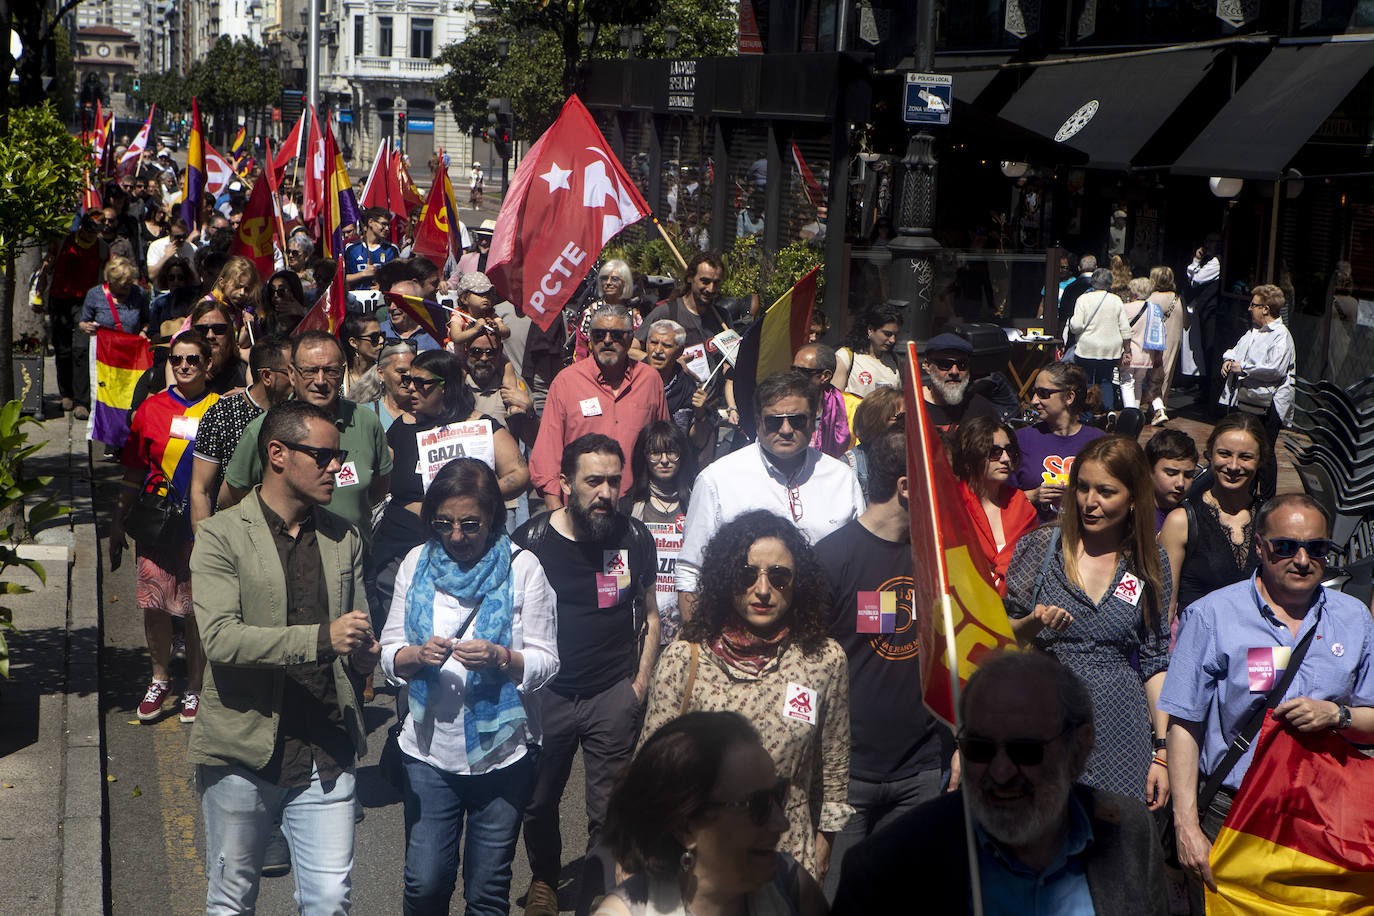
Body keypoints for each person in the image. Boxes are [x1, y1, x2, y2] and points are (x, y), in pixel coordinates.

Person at [189, 399, 381, 915]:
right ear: (277, 453)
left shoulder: (344, 537)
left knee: (329, 900)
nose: (335, 467)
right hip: (243, 750)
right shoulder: (220, 535)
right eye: (322, 456)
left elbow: (356, 629)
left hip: (326, 746)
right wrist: (323, 638)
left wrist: (366, 657)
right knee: (232, 899)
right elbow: (220, 640)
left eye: (339, 456)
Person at [833, 651, 1168, 914]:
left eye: (1025, 751)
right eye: (979, 749)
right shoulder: (886, 869)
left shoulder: (1129, 832)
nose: (1001, 772)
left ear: (1079, 749)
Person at [1160, 493, 1374, 900]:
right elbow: (1184, 723)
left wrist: (1338, 715)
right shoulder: (1211, 615)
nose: (1302, 560)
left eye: (1317, 548)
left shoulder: (1353, 618)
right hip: (1234, 812)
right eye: (1286, 546)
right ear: (1259, 546)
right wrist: (1185, 824)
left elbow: (1371, 721)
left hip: (1325, 817)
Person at [380, 458, 559, 916]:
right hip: (429, 754)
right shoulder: (416, 562)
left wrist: (503, 658)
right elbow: (390, 653)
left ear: (494, 517)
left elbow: (547, 661)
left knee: (487, 892)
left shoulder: (524, 569)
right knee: (424, 884)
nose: (456, 536)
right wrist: (416, 656)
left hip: (504, 756)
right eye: (444, 524)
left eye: (470, 524)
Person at [642, 510, 851, 881]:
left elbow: (832, 774)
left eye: (780, 576)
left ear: (798, 583)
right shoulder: (683, 660)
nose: (763, 589)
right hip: (702, 872)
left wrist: (820, 855)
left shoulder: (824, 660)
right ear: (726, 579)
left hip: (787, 868)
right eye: (746, 575)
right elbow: (650, 772)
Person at [512, 434, 661, 916]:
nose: (605, 493)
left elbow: (651, 615)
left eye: (614, 482)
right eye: (593, 481)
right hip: (547, 694)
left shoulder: (634, 538)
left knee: (610, 806)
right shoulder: (530, 542)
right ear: (564, 483)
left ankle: (597, 889)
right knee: (538, 801)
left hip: (612, 693)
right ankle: (544, 880)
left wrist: (638, 685)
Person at [815, 431, 952, 898]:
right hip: (846, 777)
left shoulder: (938, 559)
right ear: (907, 487)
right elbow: (805, 668)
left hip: (921, 772)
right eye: (936, 481)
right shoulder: (831, 558)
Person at [1005, 435, 1172, 805]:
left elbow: (1155, 660)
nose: (1089, 502)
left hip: (1119, 726)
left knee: (1113, 831)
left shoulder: (1149, 560)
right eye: (1082, 488)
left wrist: (1162, 750)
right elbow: (1003, 637)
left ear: (1133, 497)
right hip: (1045, 718)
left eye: (1105, 492)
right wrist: (1035, 621)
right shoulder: (1041, 547)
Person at [597, 711, 827, 916]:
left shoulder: (794, 886)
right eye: (758, 805)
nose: (782, 823)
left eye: (778, 794)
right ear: (685, 828)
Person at [677, 371, 864, 622]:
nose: (786, 430)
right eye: (774, 422)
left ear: (813, 421)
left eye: (797, 420)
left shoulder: (842, 479)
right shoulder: (717, 480)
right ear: (757, 421)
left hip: (823, 630)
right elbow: (691, 570)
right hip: (737, 633)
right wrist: (695, 637)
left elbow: (861, 567)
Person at [373, 349, 529, 638]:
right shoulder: (402, 426)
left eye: (422, 383)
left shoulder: (478, 425)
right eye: (408, 381)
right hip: (401, 543)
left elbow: (518, 473)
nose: (411, 389)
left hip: (464, 546)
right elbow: (379, 474)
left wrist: (477, 496)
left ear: (446, 386)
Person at [109, 330, 220, 724]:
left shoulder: (219, 409)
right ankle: (159, 679)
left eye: (192, 359)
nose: (184, 366)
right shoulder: (151, 408)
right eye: (177, 359)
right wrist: (118, 522)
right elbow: (133, 472)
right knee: (155, 605)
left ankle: (195, 686)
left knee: (195, 609)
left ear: (208, 364)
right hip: (156, 525)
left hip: (202, 527)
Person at [221, 331, 393, 544]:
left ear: (342, 373)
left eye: (330, 371)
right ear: (292, 374)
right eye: (310, 371)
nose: (320, 381)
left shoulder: (366, 422)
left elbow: (377, 490)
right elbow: (230, 499)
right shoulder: (264, 429)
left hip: (356, 561)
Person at [529, 305, 670, 510]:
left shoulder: (650, 380)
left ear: (630, 339)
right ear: (590, 338)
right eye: (599, 334)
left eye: (616, 335)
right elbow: (547, 452)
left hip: (638, 507)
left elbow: (663, 443)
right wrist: (555, 510)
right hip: (581, 509)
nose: (607, 340)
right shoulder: (566, 382)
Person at [1158, 414, 1265, 618]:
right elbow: (1164, 608)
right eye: (1224, 454)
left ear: (1260, 461)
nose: (1233, 466)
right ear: (1210, 455)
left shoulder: (1270, 518)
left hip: (1259, 637)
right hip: (1201, 635)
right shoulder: (1182, 520)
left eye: (1245, 457)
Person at [188, 336, 294, 533]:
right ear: (267, 376)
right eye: (291, 372)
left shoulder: (301, 413)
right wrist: (204, 544)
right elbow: (201, 490)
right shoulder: (221, 415)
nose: (300, 379)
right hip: (236, 533)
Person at [621, 420, 697, 644]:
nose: (664, 460)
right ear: (644, 457)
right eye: (655, 453)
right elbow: (616, 572)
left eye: (672, 452)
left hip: (687, 627)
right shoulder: (627, 508)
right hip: (640, 627)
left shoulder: (696, 502)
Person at [1219, 283, 1295, 500]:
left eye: (1253, 305)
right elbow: (1236, 350)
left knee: (1265, 451)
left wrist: (1243, 368)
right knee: (1249, 448)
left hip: (1269, 404)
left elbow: (1274, 369)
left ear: (1266, 309)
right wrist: (1228, 360)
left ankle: (1267, 500)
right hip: (1248, 400)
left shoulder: (1281, 335)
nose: (1249, 308)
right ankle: (1247, 494)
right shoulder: (1253, 332)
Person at [952, 416, 1039, 595]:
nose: (1005, 458)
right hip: (963, 601)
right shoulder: (951, 505)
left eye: (1009, 450)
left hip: (1015, 604)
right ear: (971, 455)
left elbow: (1031, 565)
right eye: (994, 452)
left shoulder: (1021, 504)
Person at [1014, 361, 1105, 522]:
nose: (1034, 401)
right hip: (1034, 533)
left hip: (1084, 532)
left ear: (1069, 397)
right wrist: (1032, 495)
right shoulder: (1021, 439)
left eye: (1043, 393)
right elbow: (999, 499)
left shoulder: (1098, 442)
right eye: (1034, 392)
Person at [39, 211, 108, 415]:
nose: (91, 234)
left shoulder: (102, 248)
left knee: (81, 349)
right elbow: (47, 266)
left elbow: (105, 277)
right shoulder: (63, 241)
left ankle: (81, 401)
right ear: (82, 226)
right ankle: (66, 394)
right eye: (89, 229)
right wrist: (39, 292)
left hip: (85, 303)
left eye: (95, 231)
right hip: (59, 300)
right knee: (63, 349)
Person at [634, 253, 731, 353]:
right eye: (705, 281)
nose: (711, 289)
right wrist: (662, 360)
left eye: (716, 283)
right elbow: (632, 350)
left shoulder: (722, 317)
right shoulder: (666, 312)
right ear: (690, 278)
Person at [1067, 267, 1131, 412]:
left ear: (1093, 281)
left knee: (1086, 381)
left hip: (1087, 348)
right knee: (1106, 380)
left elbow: (1076, 326)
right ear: (1110, 283)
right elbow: (1125, 329)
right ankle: (1109, 411)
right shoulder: (1116, 300)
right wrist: (1127, 350)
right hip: (1111, 349)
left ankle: (1087, 413)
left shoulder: (1083, 299)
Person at [919, 332, 999, 431]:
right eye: (945, 364)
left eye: (962, 364)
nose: (954, 372)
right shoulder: (911, 405)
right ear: (928, 366)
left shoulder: (981, 408)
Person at [642, 319, 705, 444]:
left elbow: (699, 442)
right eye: (654, 343)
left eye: (666, 346)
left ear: (679, 351)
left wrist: (700, 413)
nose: (658, 350)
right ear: (646, 345)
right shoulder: (630, 380)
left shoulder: (687, 387)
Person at [842, 387, 904, 506]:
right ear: (875, 421)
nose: (908, 423)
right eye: (901, 418)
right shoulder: (849, 465)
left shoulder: (914, 461)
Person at [575, 260, 643, 362]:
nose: (608, 283)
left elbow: (638, 347)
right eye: (604, 278)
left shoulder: (633, 316)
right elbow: (580, 349)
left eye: (614, 279)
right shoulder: (590, 312)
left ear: (625, 282)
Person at [78, 257, 150, 355]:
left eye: (129, 284)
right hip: (104, 354)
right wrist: (86, 326)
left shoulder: (139, 294)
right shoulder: (94, 294)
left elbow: (146, 321)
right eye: (123, 286)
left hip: (132, 352)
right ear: (110, 281)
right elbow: (83, 322)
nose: (127, 288)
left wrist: (143, 332)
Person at [791, 343, 850, 458]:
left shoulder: (850, 409)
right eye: (793, 370)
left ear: (825, 376)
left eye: (802, 371)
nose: (794, 377)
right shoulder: (781, 404)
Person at [1145, 266, 1185, 426]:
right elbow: (1186, 322)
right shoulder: (1178, 298)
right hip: (1175, 339)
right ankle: (1159, 407)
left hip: (1156, 342)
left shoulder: (1152, 299)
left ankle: (1157, 409)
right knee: (1166, 376)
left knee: (1153, 376)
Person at [833, 307, 902, 398]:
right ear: (870, 329)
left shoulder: (895, 360)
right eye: (887, 334)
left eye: (895, 335)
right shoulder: (845, 356)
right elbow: (835, 400)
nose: (892, 340)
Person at [1186, 237, 1222, 407]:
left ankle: (1208, 392)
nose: (1209, 245)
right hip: (1202, 311)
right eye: (1208, 241)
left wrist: (1196, 263)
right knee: (1201, 350)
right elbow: (1192, 280)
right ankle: (1203, 388)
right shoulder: (1209, 260)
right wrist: (1196, 261)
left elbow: (1197, 278)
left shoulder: (1216, 262)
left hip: (1211, 313)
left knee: (1209, 350)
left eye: (1214, 241)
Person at [1144, 427, 1198, 533]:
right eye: (1171, 473)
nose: (1180, 484)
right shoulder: (1132, 514)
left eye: (1188, 475)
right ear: (1148, 470)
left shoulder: (1193, 517)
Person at [1120, 276, 1162, 413]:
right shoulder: (1155, 309)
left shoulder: (1125, 308)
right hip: (1147, 354)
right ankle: (1136, 413)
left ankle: (1130, 414)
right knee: (1138, 383)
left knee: (1126, 382)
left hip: (1129, 352)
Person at [447, 271, 512, 352]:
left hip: (487, 353)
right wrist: (475, 329)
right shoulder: (459, 316)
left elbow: (507, 333)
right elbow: (456, 337)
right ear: (464, 299)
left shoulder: (490, 314)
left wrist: (498, 328)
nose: (485, 297)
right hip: (461, 355)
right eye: (480, 293)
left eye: (488, 293)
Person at [344, 207, 400, 289]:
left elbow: (398, 279)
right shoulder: (351, 248)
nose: (387, 228)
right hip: (356, 296)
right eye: (383, 224)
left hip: (382, 296)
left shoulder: (392, 249)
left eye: (388, 225)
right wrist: (363, 274)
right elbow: (342, 278)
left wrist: (384, 286)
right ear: (370, 222)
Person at [368, 339, 418, 432]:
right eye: (401, 371)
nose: (408, 377)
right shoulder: (367, 413)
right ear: (381, 373)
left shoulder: (426, 412)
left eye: (412, 372)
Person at [381, 278, 441, 351]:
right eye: (388, 301)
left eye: (398, 301)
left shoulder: (435, 334)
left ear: (416, 304)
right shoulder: (379, 332)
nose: (392, 307)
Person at [149, 256, 201, 341]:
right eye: (171, 278)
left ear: (186, 279)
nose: (176, 281)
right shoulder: (159, 303)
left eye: (180, 278)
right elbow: (152, 332)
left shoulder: (195, 301)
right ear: (166, 279)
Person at [340, 312, 385, 402]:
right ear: (353, 342)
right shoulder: (339, 377)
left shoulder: (384, 376)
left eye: (382, 335)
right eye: (374, 337)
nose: (381, 340)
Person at [1058, 253, 1097, 320]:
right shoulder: (1103, 288)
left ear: (1079, 268)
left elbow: (1063, 314)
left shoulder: (1070, 288)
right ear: (1096, 268)